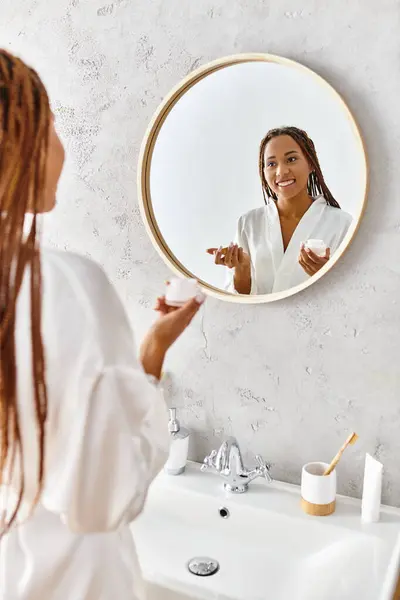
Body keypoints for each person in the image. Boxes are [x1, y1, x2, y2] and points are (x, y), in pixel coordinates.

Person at [0, 49, 203, 600]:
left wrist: (149, 351)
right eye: (54, 126)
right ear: (20, 140)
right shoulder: (62, 288)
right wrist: (151, 366)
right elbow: (105, 500)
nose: (62, 149)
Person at [207, 126, 353, 294]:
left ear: (311, 163)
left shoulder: (341, 223)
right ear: (263, 171)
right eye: (271, 164)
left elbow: (352, 294)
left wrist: (326, 275)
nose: (281, 171)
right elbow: (239, 306)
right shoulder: (248, 223)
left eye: (291, 159)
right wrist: (242, 271)